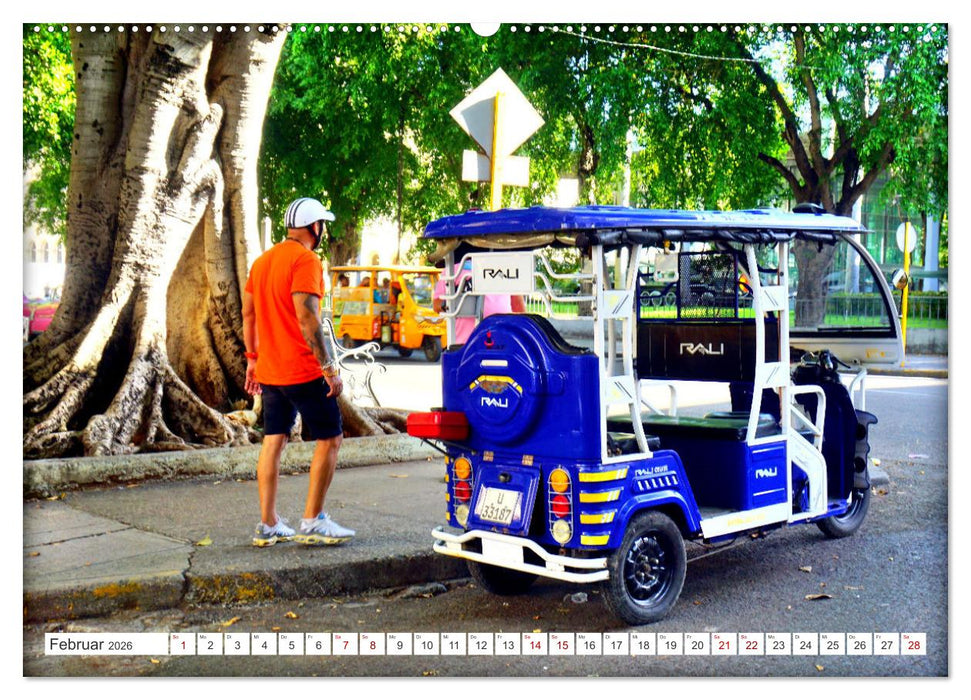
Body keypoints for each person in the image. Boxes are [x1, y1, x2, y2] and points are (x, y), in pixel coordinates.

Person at [243, 197, 355, 547]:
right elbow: (307, 316)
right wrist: (329, 368)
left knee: (273, 441)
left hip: (271, 370)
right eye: (322, 224)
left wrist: (252, 359)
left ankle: (268, 523)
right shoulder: (306, 260)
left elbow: (248, 315)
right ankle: (313, 519)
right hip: (303, 369)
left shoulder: (262, 262)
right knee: (331, 437)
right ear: (314, 228)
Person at [433, 254, 526, 345]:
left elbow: (437, 305)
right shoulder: (506, 270)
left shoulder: (452, 270)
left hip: (484, 342)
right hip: (478, 342)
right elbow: (437, 304)